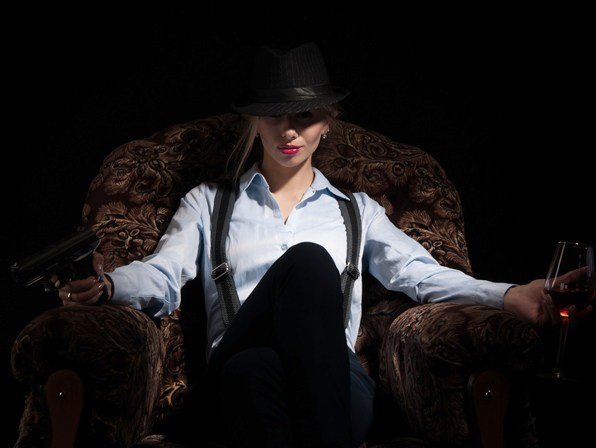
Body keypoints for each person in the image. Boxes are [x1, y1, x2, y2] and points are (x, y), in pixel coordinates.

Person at [54, 42, 572, 448]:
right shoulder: (208, 202)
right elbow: (162, 273)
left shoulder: (358, 210)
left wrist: (510, 296)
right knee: (300, 275)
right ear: (254, 120)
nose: (289, 130)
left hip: (335, 383)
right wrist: (108, 286)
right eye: (275, 114)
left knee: (265, 359)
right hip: (231, 372)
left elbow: (423, 274)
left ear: (327, 122)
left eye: (304, 115)